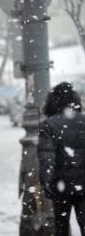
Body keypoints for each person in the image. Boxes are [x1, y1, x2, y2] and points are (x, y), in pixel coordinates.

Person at [38, 82, 85, 236]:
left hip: (61, 186)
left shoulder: (49, 125)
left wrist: (47, 184)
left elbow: (47, 159)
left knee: (61, 228)